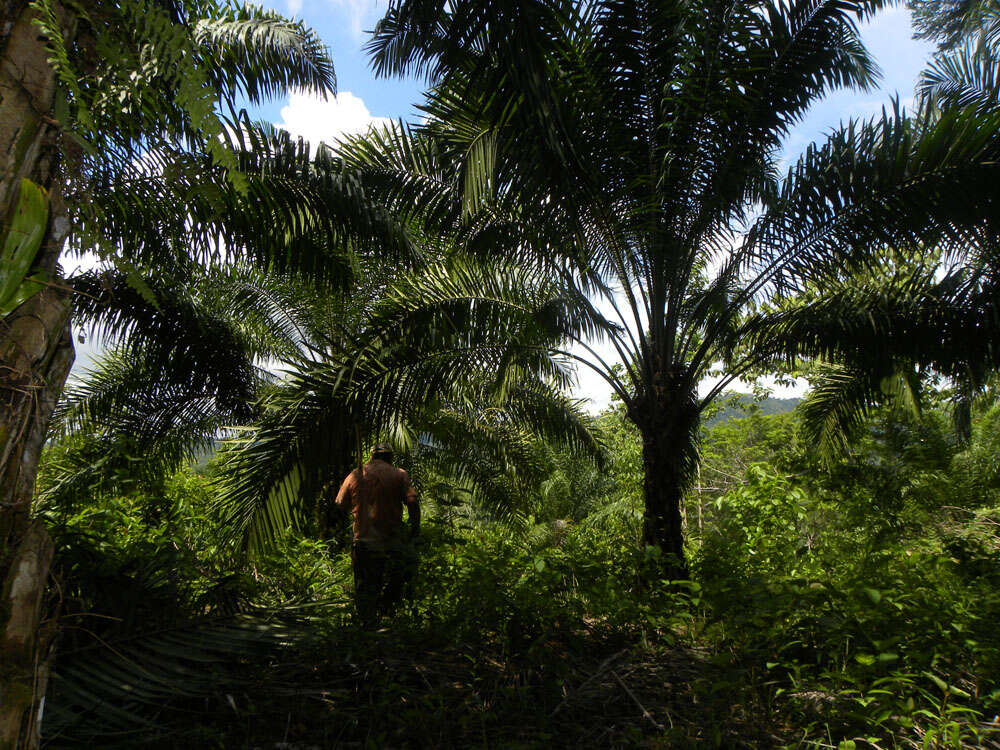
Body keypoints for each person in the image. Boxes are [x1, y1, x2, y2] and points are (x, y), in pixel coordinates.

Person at [334, 443, 420, 625]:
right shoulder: (399, 474)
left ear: (371, 457)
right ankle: (386, 618)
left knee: (364, 587)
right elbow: (412, 500)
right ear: (390, 458)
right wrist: (414, 527)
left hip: (363, 542)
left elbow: (340, 502)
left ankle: (366, 626)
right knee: (395, 580)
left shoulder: (356, 474)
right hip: (391, 541)